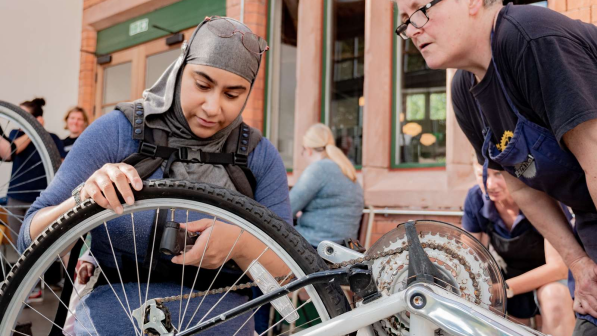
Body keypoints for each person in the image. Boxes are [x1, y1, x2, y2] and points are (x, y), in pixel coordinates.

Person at [19, 17, 290, 335]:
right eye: (202, 85)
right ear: (178, 70)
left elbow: (293, 273)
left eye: (233, 94)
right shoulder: (119, 132)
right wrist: (82, 198)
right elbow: (29, 237)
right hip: (111, 323)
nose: (213, 107)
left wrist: (242, 245)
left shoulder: (258, 157)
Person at [393, 0, 597, 332]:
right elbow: (520, 185)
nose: (413, 29)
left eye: (420, 10)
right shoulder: (464, 90)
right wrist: (580, 264)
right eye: (405, 21)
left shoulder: (531, 37)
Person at [464, 160, 575, 335]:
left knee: (555, 298)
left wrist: (499, 289)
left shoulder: (541, 195)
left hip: (551, 278)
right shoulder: (476, 198)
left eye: (498, 174)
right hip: (508, 274)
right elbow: (466, 258)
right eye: (482, 175)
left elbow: (559, 268)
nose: (490, 184)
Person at [290, 123, 364, 247]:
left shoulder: (318, 169)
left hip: (315, 245)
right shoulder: (347, 169)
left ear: (308, 150)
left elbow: (286, 209)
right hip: (345, 248)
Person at [6, 98, 66, 244]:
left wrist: (39, 130)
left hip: (40, 200)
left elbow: (63, 164)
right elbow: (13, 150)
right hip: (15, 198)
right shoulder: (16, 134)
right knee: (18, 244)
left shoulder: (52, 138)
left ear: (36, 118)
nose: (19, 118)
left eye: (23, 114)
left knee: (37, 245)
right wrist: (32, 131)